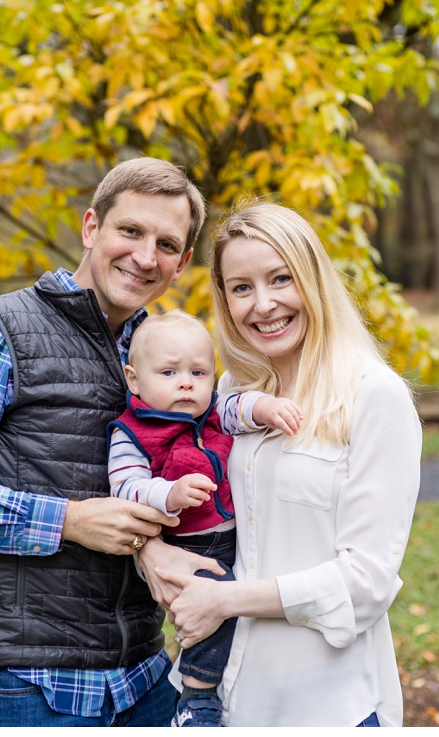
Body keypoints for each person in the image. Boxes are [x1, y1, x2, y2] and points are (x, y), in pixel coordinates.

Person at [0, 157, 225, 727]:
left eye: (166, 243)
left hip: (145, 674)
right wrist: (65, 520)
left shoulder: (167, 356)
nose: (145, 256)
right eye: (130, 231)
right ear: (92, 229)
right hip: (30, 683)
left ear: (182, 263)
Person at [149, 202, 423, 727]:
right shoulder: (227, 393)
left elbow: (365, 582)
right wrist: (153, 550)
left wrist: (225, 600)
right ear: (225, 300)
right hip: (220, 697)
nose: (264, 304)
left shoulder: (372, 395)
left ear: (313, 280)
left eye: (281, 278)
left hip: (328, 704)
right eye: (242, 287)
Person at [105, 310, 302, 726]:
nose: (186, 383)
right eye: (169, 372)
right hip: (186, 546)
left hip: (234, 537)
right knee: (216, 604)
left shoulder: (209, 412)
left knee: (245, 605)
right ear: (134, 379)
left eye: (199, 372)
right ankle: (197, 695)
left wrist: (266, 408)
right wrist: (169, 495)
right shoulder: (132, 432)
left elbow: (238, 407)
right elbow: (124, 486)